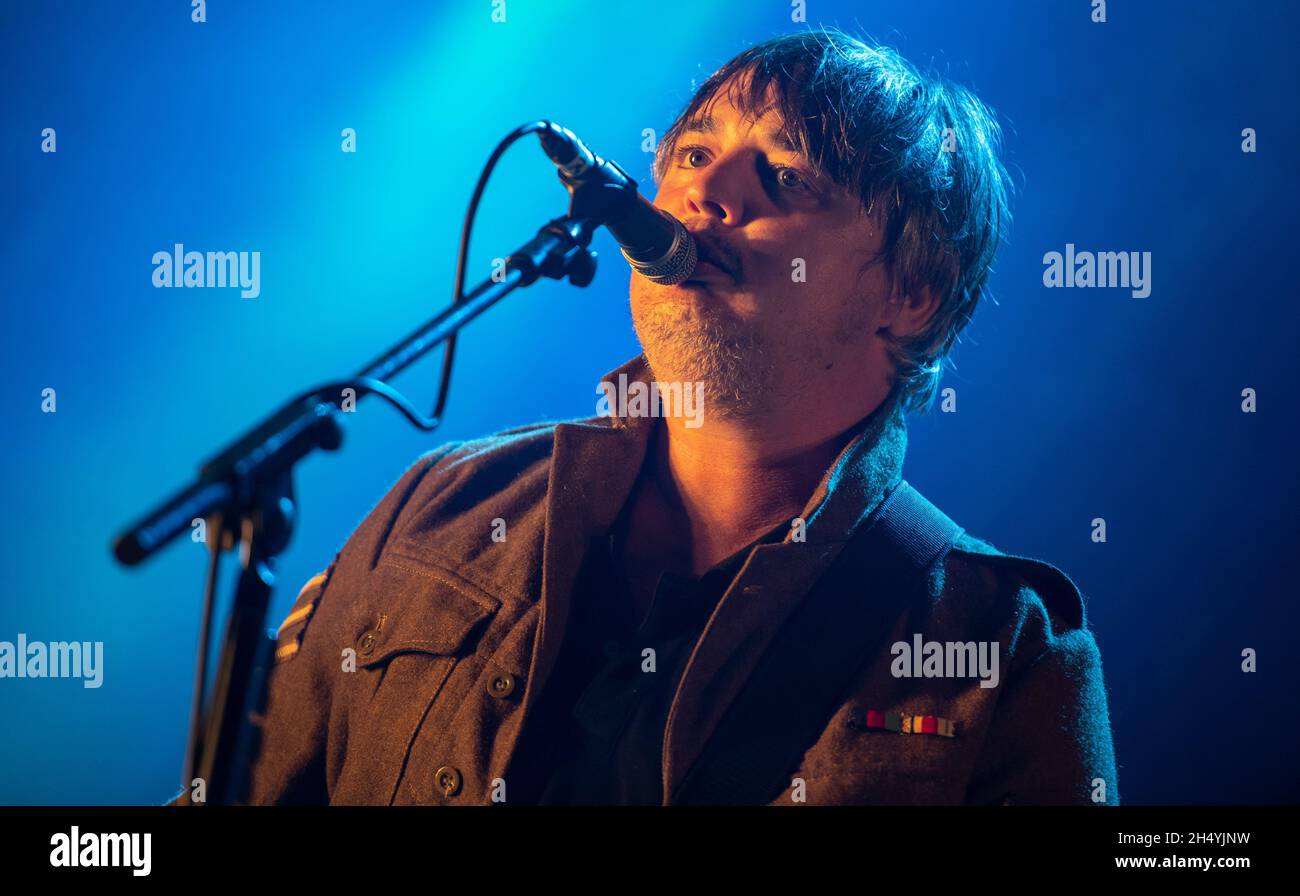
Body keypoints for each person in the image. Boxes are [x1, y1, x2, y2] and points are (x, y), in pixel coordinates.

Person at [246, 28, 1119, 806]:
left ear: (912, 293)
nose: (704, 192)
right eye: (693, 154)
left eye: (782, 176)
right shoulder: (442, 506)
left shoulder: (1007, 654)